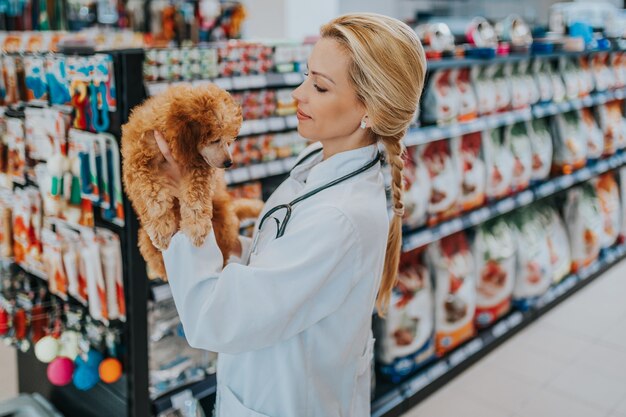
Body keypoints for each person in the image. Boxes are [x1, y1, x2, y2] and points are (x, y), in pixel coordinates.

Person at [155, 12, 426, 417]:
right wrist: (230, 245)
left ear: (370, 109)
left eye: (319, 86)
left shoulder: (341, 218)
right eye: (306, 75)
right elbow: (280, 260)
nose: (299, 93)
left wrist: (184, 202)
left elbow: (214, 318)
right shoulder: (317, 159)